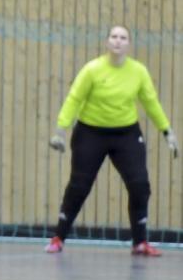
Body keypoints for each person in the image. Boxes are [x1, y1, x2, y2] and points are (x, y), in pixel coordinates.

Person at [46, 25, 178, 256]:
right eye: (114, 37)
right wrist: (61, 130)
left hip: (126, 134)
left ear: (128, 44)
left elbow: (151, 103)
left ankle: (140, 242)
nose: (118, 41)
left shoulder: (138, 71)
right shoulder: (92, 70)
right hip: (90, 133)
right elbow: (74, 98)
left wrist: (167, 131)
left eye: (123, 37)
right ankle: (58, 237)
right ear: (107, 42)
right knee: (79, 185)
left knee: (139, 184)